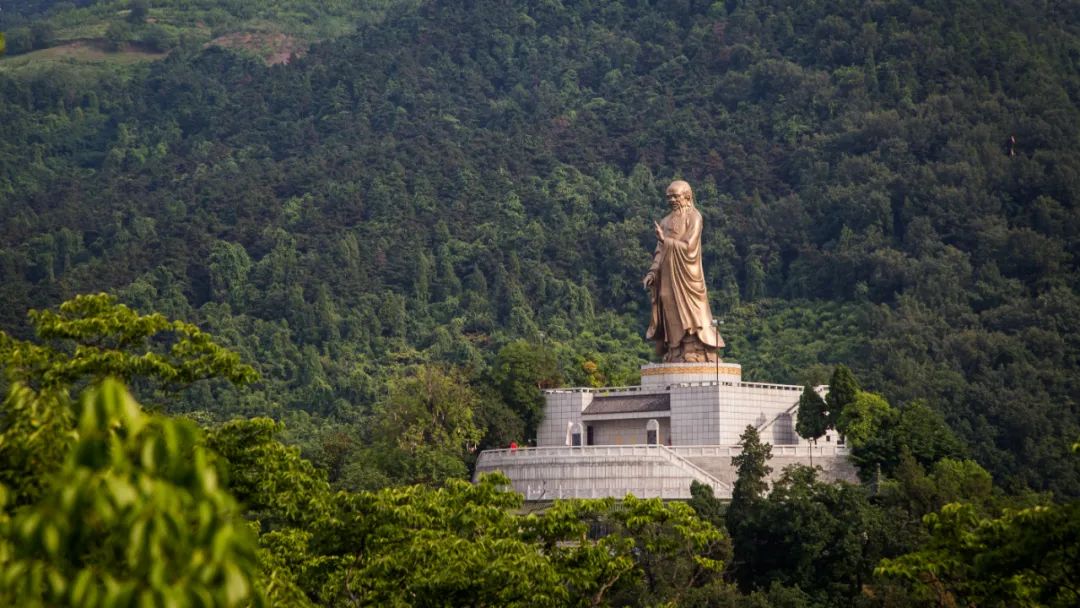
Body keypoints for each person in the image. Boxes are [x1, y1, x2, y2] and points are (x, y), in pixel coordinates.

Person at [643, 180, 723, 362]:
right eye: (669, 197)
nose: (672, 200)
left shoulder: (694, 217)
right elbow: (659, 252)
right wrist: (652, 273)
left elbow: (689, 246)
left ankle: (693, 347)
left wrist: (665, 240)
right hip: (667, 274)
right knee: (668, 303)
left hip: (688, 274)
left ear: (687, 196)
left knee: (691, 309)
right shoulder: (664, 222)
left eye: (675, 196)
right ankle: (675, 349)